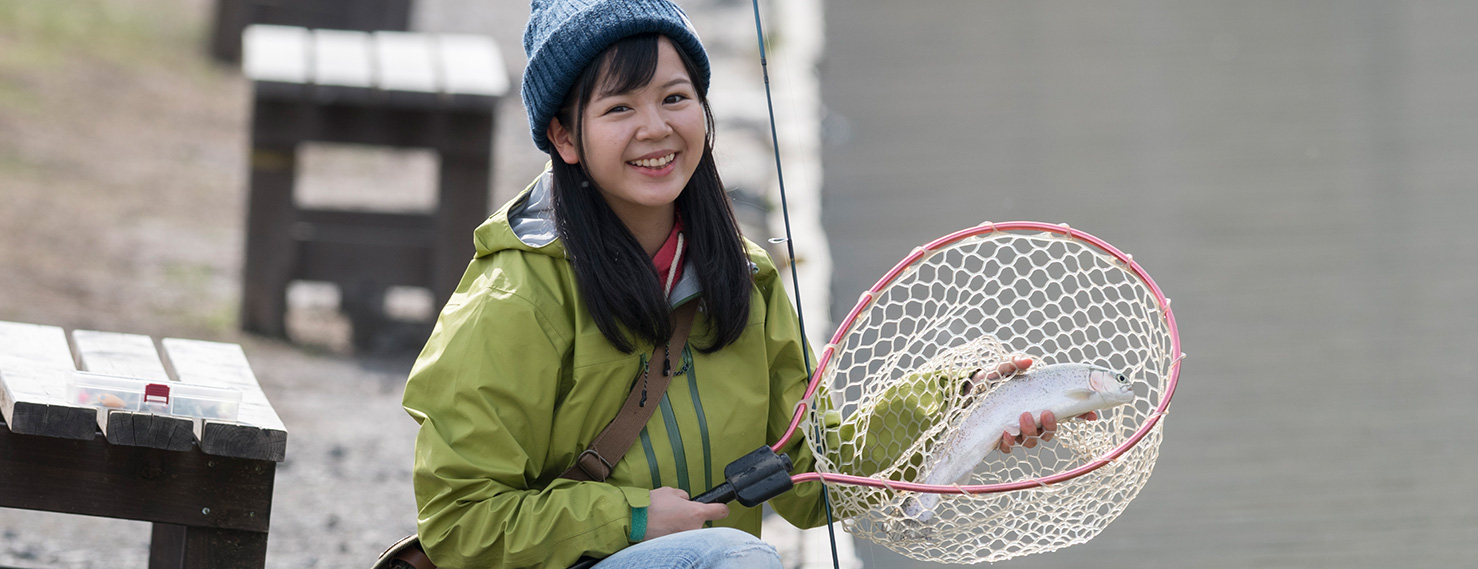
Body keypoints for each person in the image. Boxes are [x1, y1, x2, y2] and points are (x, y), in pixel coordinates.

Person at [401, 1, 1070, 567]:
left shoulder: (744, 278)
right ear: (563, 137)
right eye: (618, 109)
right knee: (739, 558)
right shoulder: (516, 295)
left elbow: (813, 478)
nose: (655, 129)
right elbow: (459, 520)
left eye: (674, 97)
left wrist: (957, 405)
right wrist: (632, 519)